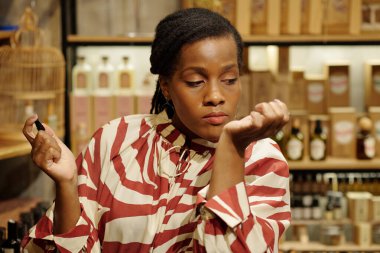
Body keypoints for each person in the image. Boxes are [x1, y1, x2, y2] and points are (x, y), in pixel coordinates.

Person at [22, 8, 290, 253]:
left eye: (229, 79)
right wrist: (67, 184)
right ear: (165, 87)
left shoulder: (261, 158)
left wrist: (231, 149)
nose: (216, 96)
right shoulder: (117, 139)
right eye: (196, 81)